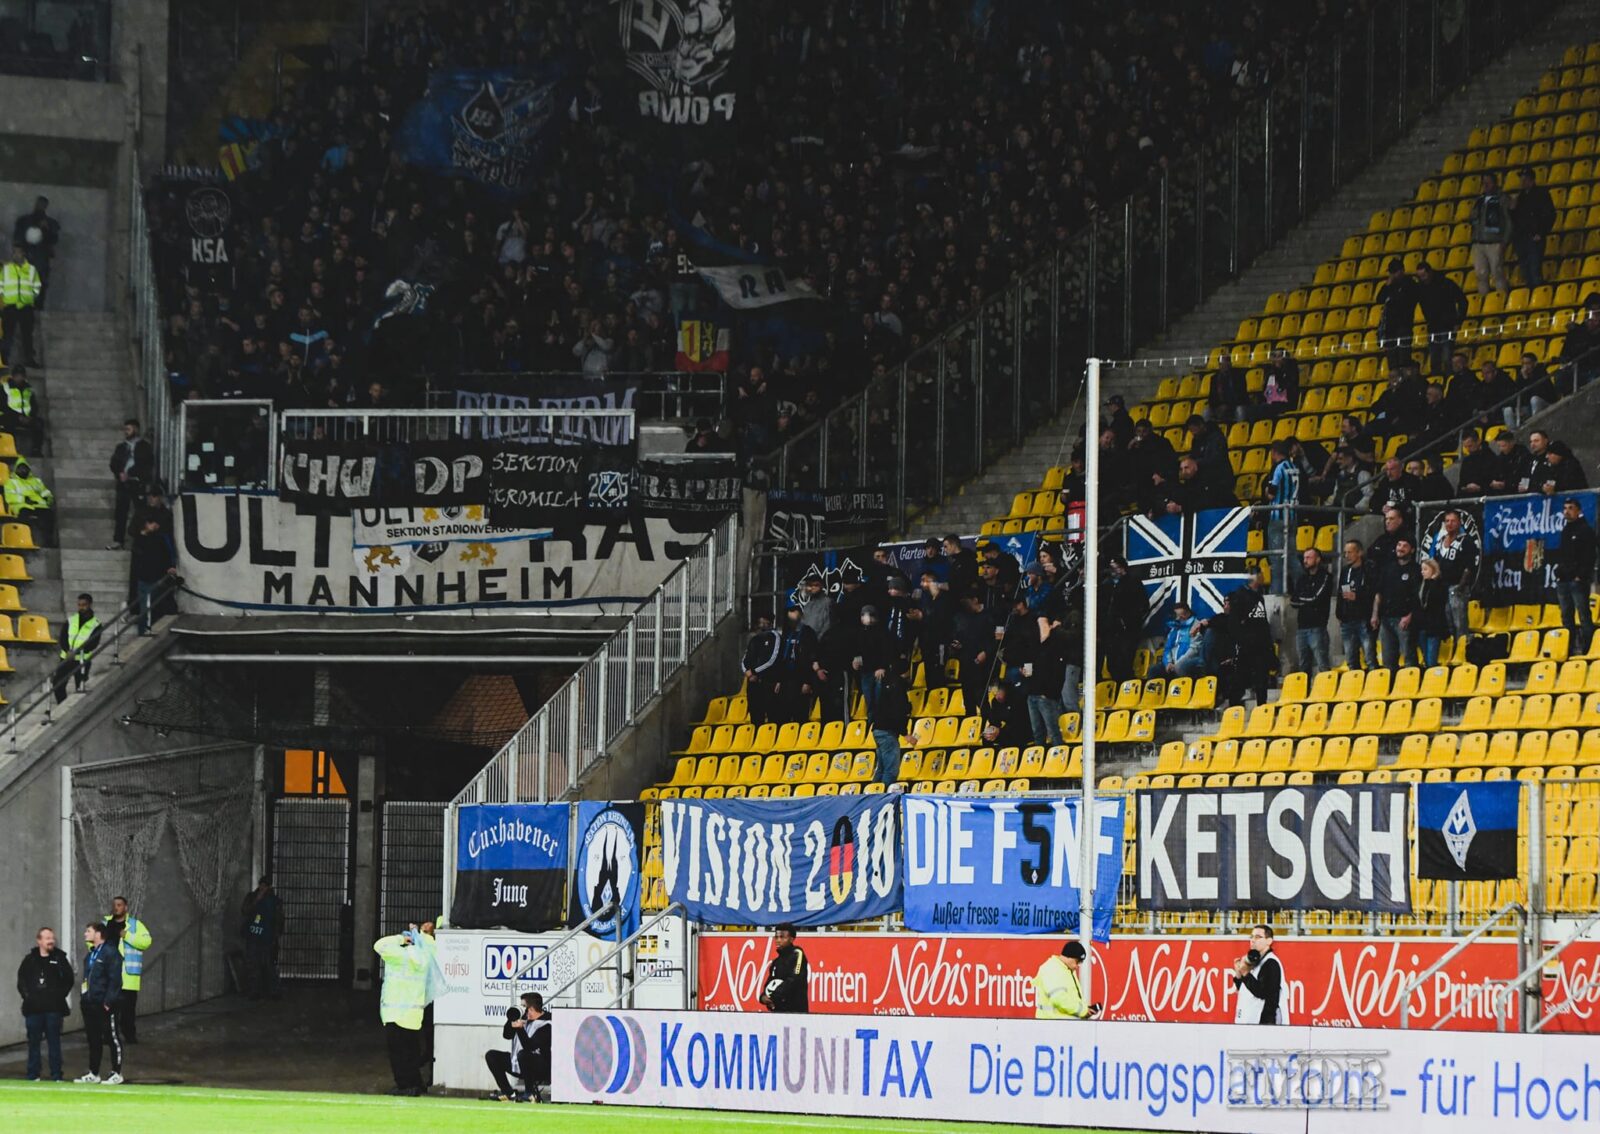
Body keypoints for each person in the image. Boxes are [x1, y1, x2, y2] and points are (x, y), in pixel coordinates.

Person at [374, 924, 435, 1095]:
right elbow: (431, 945)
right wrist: (423, 936)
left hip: (395, 1013)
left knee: (398, 1054)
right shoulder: (426, 956)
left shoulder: (400, 956)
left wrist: (401, 938)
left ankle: (405, 1086)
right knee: (411, 1051)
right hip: (413, 1014)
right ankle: (415, 1084)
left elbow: (379, 945)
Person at [17, 926, 73, 1082]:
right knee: (33, 1043)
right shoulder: (30, 960)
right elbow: (21, 981)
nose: (51, 941)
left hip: (53, 1009)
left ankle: (56, 1075)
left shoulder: (60, 959)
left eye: (52, 938)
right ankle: (33, 1074)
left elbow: (68, 980)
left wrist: (58, 996)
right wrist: (28, 997)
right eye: (47, 938)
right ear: (39, 941)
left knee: (54, 1042)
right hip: (33, 1009)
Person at [77, 921, 123, 1083]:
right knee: (93, 1039)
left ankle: (116, 1072)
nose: (85, 934)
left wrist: (108, 1001)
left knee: (111, 1037)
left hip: (104, 1004)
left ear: (98, 934)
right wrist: (84, 999)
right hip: (90, 1003)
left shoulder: (110, 952)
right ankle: (94, 1073)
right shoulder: (90, 955)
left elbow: (115, 979)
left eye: (88, 931)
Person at [485, 992, 552, 1103]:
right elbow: (507, 1035)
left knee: (524, 1055)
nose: (521, 1009)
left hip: (540, 1067)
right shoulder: (523, 1018)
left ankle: (530, 1093)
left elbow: (529, 1046)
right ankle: (509, 1092)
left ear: (531, 1009)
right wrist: (511, 1019)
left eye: (523, 1006)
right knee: (492, 1056)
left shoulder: (547, 1023)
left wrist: (520, 1029)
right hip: (518, 1063)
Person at [1426, 509, 1479, 644]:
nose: (1449, 524)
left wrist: (1461, 586)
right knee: (1447, 622)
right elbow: (1434, 561)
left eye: (1453, 521)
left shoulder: (1466, 541)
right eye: (1447, 521)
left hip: (1456, 587)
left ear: (1459, 522)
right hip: (1442, 587)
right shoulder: (1440, 541)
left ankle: (1462, 649)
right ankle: (1452, 649)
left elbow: (1469, 567)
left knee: (1459, 623)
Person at [103, 896, 151, 1044]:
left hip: (128, 976)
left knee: (128, 1011)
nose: (116, 907)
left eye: (119, 905)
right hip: (109, 974)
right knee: (108, 1009)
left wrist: (127, 936)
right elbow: (92, 941)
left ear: (125, 907)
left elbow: (146, 942)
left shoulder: (135, 925)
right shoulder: (105, 924)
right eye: (114, 905)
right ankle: (109, 1036)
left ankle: (129, 1036)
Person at [1372, 536, 1421, 671]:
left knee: (1409, 658)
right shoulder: (1388, 568)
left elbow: (1418, 597)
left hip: (1404, 619)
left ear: (1412, 550)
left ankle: (1411, 682)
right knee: (1388, 660)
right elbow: (1378, 593)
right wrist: (1375, 614)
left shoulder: (1416, 570)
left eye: (1405, 546)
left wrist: (1409, 616)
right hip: (1386, 619)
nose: (1400, 548)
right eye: (1399, 545)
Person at [1556, 497, 1597, 654]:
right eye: (1565, 508)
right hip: (1564, 580)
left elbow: (1590, 556)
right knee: (1566, 616)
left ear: (1578, 510)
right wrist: (1559, 574)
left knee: (1583, 614)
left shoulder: (1585, 530)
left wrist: (1581, 575)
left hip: (1578, 581)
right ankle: (1569, 648)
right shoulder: (1566, 530)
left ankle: (1589, 648)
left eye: (1570, 508)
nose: (1567, 511)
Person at [107, 420, 154, 550]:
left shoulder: (144, 447)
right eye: (125, 429)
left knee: (141, 511)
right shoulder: (121, 447)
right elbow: (113, 463)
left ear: (136, 429)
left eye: (128, 429)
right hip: (123, 484)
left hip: (138, 483)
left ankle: (141, 540)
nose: (126, 432)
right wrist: (120, 473)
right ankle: (118, 540)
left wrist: (131, 473)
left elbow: (145, 465)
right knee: (120, 513)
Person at [1415, 260, 1467, 375]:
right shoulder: (1420, 288)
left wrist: (1458, 321)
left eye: (1423, 275)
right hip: (1433, 327)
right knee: (1434, 360)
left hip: (1448, 325)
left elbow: (1462, 300)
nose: (1422, 279)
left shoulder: (1446, 284)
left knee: (1447, 358)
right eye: (1420, 276)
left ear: (1430, 272)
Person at [130, 517, 178, 632]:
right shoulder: (140, 540)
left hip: (156, 578)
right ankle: (144, 630)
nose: (156, 526)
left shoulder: (159, 538)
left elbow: (165, 554)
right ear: (147, 524)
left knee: (152, 606)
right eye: (153, 523)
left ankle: (147, 629)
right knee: (146, 607)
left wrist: (169, 567)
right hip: (146, 578)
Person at [1232, 925, 1287, 1025]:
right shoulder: (1255, 961)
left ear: (1269, 941)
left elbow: (1262, 993)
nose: (1253, 940)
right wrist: (1239, 974)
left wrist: (1246, 973)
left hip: (1263, 1024)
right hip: (1249, 1021)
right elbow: (1245, 990)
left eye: (1257, 937)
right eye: (1251, 937)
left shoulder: (1271, 963)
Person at [1290, 548, 1333, 676]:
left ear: (1318, 559)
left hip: (1317, 628)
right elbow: (1293, 601)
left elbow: (1316, 598)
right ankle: (1306, 688)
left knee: (1322, 664)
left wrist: (1302, 599)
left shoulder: (1325, 577)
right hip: (1301, 628)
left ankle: (1326, 688)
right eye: (1304, 558)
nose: (1305, 561)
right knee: (1303, 666)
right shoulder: (1302, 579)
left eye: (1309, 557)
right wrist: (1306, 599)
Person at [1469, 172, 1514, 295]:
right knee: (1480, 274)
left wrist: (1505, 241)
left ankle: (1502, 297)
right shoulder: (1479, 200)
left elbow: (1509, 221)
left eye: (1488, 183)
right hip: (1478, 242)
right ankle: (1483, 298)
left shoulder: (1502, 199)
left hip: (1495, 242)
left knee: (1497, 273)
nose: (1485, 185)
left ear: (1495, 183)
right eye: (1484, 183)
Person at [1511, 166, 1555, 288]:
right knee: (1526, 271)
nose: (1522, 182)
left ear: (1531, 180)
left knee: (1534, 269)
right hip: (1522, 238)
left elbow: (1549, 215)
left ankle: (1537, 290)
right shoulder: (1520, 197)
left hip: (1534, 237)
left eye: (1525, 179)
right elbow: (1515, 219)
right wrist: (1512, 209)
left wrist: (1541, 232)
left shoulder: (1541, 194)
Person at [1336, 540, 1377, 670]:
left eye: (1350, 552)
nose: (1347, 556)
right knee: (1350, 659)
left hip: (1364, 618)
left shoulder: (1369, 569)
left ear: (1359, 553)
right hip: (1347, 619)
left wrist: (1357, 596)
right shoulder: (1345, 571)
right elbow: (1340, 593)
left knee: (1369, 657)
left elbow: (1374, 592)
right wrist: (1339, 613)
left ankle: (1372, 680)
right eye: (1345, 553)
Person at [1033, 940, 1099, 1020]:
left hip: (1062, 1023)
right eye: (1077, 961)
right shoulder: (1051, 969)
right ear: (1068, 956)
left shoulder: (1067, 969)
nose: (1077, 966)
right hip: (1052, 1023)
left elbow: (1072, 997)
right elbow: (1058, 998)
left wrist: (1084, 1009)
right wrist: (1083, 1011)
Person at [239, 877, 282, 1000]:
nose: (262, 888)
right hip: (255, 936)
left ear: (269, 887)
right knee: (254, 964)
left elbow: (278, 919)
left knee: (269, 964)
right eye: (261, 885)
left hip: (265, 936)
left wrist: (276, 935)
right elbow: (245, 910)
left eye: (265, 886)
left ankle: (271, 991)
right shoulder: (253, 897)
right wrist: (256, 900)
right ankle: (255, 991)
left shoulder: (273, 900)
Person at [53, 593, 101, 703]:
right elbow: (63, 637)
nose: (81, 607)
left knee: (80, 688)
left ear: (90, 605)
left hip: (82, 660)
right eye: (79, 605)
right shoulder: (71, 620)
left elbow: (93, 643)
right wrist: (67, 650)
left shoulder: (96, 624)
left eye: (84, 605)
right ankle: (63, 707)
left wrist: (78, 652)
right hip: (66, 658)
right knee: (57, 684)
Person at [0, 244, 41, 366]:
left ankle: (29, 359)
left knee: (27, 335)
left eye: (18, 252)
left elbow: (37, 287)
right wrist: (5, 299)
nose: (15, 255)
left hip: (26, 307)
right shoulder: (6, 269)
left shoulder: (31, 270)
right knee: (8, 335)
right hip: (10, 306)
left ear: (23, 253)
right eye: (14, 252)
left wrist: (29, 298)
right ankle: (4, 359)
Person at [869, 670, 911, 787]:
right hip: (887, 732)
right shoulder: (898, 687)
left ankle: (872, 793)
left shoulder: (886, 685)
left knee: (881, 769)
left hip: (878, 729)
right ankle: (885, 795)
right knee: (891, 770)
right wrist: (905, 733)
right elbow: (898, 711)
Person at [12, 196, 58, 302]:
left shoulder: (49, 223)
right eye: (39, 204)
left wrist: (46, 229)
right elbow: (17, 239)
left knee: (39, 283)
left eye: (42, 205)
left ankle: (36, 305)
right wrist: (19, 252)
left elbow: (54, 239)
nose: (40, 207)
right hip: (26, 256)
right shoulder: (24, 221)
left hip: (41, 258)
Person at [741, 612, 783, 725]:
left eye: (765, 622)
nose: (762, 625)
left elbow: (772, 659)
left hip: (768, 682)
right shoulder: (755, 639)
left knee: (773, 717)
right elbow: (745, 658)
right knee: (755, 717)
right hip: (753, 684)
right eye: (761, 622)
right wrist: (747, 672)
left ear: (770, 622)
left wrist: (754, 672)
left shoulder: (775, 637)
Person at [759, 924, 808, 1013]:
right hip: (778, 1012)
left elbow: (794, 979)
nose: (778, 940)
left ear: (791, 939)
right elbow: (770, 982)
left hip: (796, 1011)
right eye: (776, 937)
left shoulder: (797, 954)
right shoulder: (776, 962)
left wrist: (774, 996)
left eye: (782, 937)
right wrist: (763, 997)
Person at [4, 458, 53, 546]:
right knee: (24, 515)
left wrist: (47, 499)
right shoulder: (11, 482)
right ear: (16, 470)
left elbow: (46, 493)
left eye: (25, 468)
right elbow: (10, 497)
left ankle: (48, 542)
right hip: (22, 506)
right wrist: (24, 499)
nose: (23, 470)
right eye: (20, 468)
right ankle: (22, 539)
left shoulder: (36, 481)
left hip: (39, 506)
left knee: (49, 516)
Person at [1416, 558, 1452, 667]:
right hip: (1423, 625)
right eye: (1422, 569)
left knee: (1431, 658)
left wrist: (1432, 581)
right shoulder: (1422, 585)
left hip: (1435, 625)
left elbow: (1438, 601)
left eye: (1425, 569)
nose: (1422, 572)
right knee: (1426, 658)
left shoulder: (1440, 585)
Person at [2, 366, 39, 454]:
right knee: (8, 423)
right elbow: (3, 406)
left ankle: (36, 449)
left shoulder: (29, 389)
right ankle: (11, 448)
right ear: (12, 376)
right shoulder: (5, 388)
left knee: (39, 424)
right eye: (17, 376)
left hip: (26, 418)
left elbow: (34, 405)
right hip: (10, 416)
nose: (19, 378)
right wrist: (18, 416)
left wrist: (30, 417)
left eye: (21, 376)